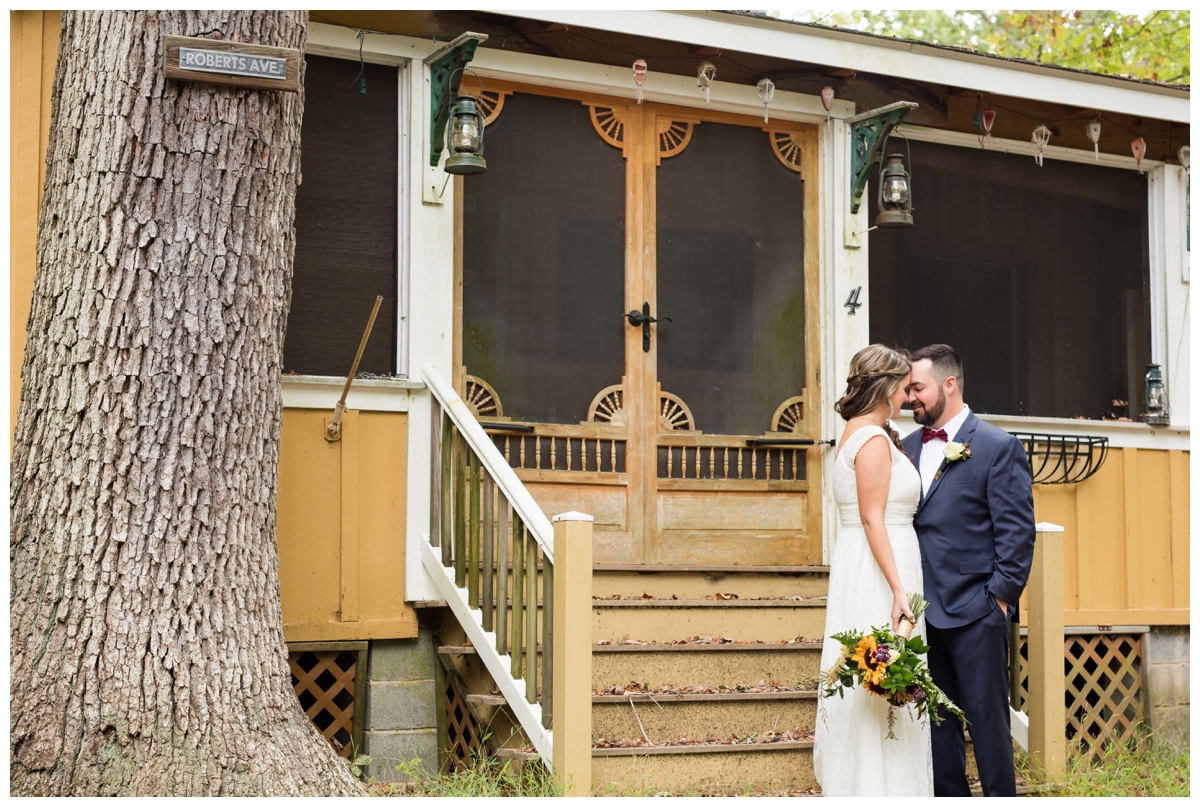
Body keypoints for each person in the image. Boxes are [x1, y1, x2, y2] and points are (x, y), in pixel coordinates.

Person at [902, 344, 1035, 797]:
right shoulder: (903, 447)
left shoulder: (998, 446)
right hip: (921, 610)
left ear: (949, 384)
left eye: (917, 388)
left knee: (988, 725)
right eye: (906, 390)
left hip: (976, 608)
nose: (909, 398)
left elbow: (1017, 533)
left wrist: (997, 599)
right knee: (937, 727)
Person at [813, 344, 933, 797]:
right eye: (904, 388)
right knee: (882, 678)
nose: (907, 398)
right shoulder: (874, 440)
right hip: (880, 569)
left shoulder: (854, 433)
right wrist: (899, 589)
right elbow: (871, 517)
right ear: (885, 387)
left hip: (861, 564)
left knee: (877, 681)